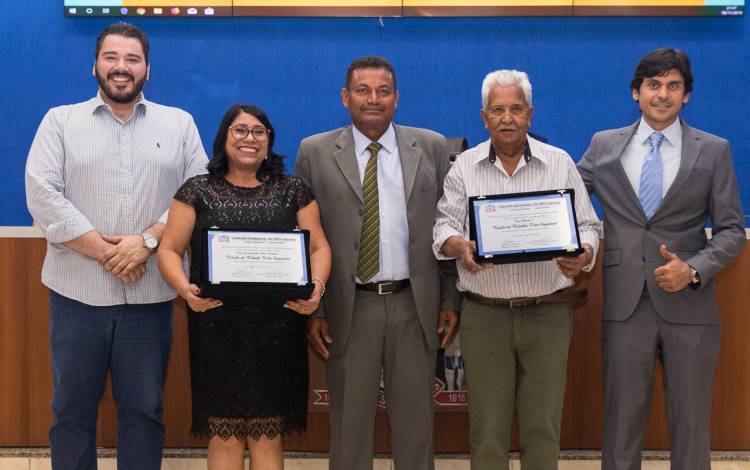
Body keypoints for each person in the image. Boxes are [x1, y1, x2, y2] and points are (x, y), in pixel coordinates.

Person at [24, 22, 208, 470]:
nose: (121, 68)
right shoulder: (60, 121)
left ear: (148, 69)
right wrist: (106, 252)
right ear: (95, 66)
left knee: (145, 411)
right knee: (70, 411)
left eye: (132, 59)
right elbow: (41, 193)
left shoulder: (179, 123)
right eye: (111, 58)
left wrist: (145, 243)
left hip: (149, 299)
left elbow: (199, 195)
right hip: (76, 297)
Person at [578, 48, 746, 470]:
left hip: (690, 305)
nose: (663, 94)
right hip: (624, 306)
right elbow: (566, 201)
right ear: (636, 93)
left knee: (691, 427)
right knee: (620, 426)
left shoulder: (713, 150)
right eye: (654, 85)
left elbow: (730, 230)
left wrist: (693, 269)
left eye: (674, 85)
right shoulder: (604, 146)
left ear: (687, 95)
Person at [295, 56, 461, 470]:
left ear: (397, 98)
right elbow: (300, 237)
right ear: (345, 97)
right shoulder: (314, 151)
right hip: (348, 306)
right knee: (349, 430)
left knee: (416, 428)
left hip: (414, 305)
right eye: (363, 90)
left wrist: (450, 300)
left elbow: (448, 225)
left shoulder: (431, 146)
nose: (373, 99)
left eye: (383, 91)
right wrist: (313, 307)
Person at [433, 69, 602, 470]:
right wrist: (459, 246)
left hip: (548, 313)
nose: (507, 118)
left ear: (530, 113)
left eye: (516, 109)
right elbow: (443, 226)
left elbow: (590, 226)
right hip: (485, 314)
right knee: (487, 430)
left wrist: (584, 255)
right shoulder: (464, 167)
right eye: (498, 110)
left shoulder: (559, 163)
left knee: (542, 427)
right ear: (484, 117)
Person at [158, 104, 331, 470]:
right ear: (224, 138)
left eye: (258, 131)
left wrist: (316, 288)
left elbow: (318, 247)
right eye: (240, 130)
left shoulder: (293, 190)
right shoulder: (197, 190)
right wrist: (185, 290)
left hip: (278, 328)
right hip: (217, 327)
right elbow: (170, 250)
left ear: (269, 140)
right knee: (225, 433)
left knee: (268, 433)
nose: (249, 138)